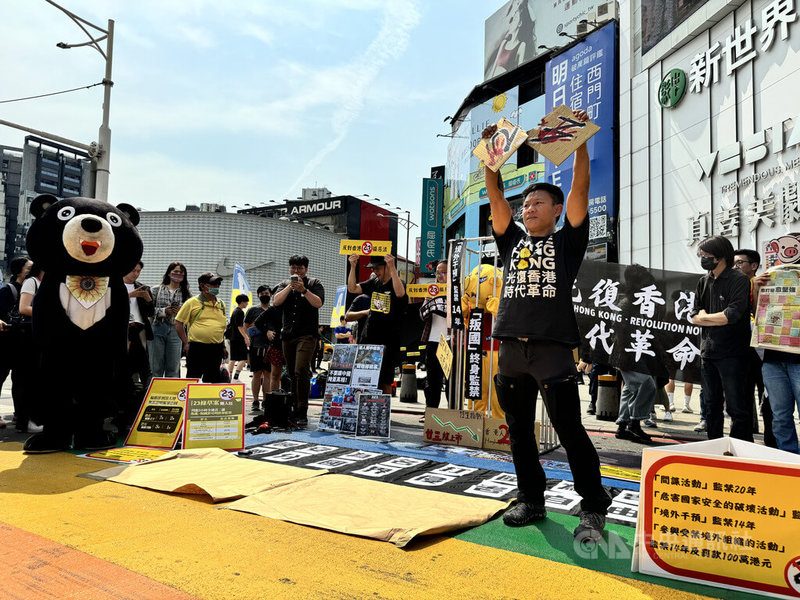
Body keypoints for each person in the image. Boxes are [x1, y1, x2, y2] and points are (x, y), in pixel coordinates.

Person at [482, 112, 611, 542]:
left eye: (538, 203)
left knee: (569, 429)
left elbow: (581, 185)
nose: (528, 208)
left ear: (557, 211)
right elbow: (496, 196)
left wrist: (579, 143)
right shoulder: (510, 242)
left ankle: (592, 506)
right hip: (511, 350)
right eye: (526, 204)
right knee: (518, 429)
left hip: (553, 349)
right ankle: (531, 499)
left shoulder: (568, 240)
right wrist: (491, 156)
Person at [690, 236, 753, 442]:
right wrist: (711, 319)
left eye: (707, 256)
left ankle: (740, 449)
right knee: (711, 405)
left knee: (737, 407)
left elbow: (731, 315)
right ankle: (714, 447)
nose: (703, 259)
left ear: (721, 256)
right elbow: (694, 316)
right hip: (708, 352)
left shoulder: (739, 280)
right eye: (701, 255)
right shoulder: (703, 281)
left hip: (733, 354)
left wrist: (705, 318)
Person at [273, 255, 324, 427]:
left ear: (306, 269)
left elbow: (318, 303)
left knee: (301, 369)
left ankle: (302, 410)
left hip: (307, 335)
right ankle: (292, 407)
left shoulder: (314, 283)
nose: (296, 271)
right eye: (293, 268)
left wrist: (303, 290)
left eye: (300, 268)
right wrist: (290, 286)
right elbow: (276, 302)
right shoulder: (283, 284)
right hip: (288, 335)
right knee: (290, 374)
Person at [753, 269, 800, 453]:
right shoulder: (773, 277)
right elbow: (760, 315)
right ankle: (789, 458)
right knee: (780, 415)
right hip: (772, 359)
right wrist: (757, 289)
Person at [347, 253, 408, 395]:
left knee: (385, 379)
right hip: (369, 337)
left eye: (378, 268)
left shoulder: (397, 282)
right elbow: (353, 289)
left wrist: (392, 267)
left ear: (387, 266)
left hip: (389, 339)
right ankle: (366, 407)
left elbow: (400, 293)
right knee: (365, 375)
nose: (375, 272)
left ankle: (384, 412)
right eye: (372, 269)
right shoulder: (374, 282)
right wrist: (353, 266)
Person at [734, 248, 775, 447]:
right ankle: (744, 445)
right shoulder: (731, 288)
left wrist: (758, 290)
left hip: (765, 353)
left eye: (740, 262)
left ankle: (772, 445)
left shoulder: (767, 284)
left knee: (769, 402)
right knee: (741, 400)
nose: (736, 266)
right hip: (740, 353)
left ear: (754, 266)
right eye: (734, 263)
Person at [175, 272, 228, 383]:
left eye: (218, 284)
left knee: (213, 379)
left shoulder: (221, 304)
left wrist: (223, 347)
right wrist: (186, 342)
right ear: (203, 286)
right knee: (194, 379)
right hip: (197, 348)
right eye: (213, 284)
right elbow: (178, 322)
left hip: (216, 348)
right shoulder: (192, 302)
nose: (217, 286)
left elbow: (220, 328)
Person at [0, 256, 32, 428]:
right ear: (19, 271)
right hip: (6, 343)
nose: (32, 270)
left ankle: (20, 415)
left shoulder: (32, 290)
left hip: (23, 343)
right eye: (29, 267)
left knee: (21, 381)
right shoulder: (8, 290)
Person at [121, 261, 154, 430]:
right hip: (121, 330)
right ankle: (124, 413)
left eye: (138, 271)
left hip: (139, 329)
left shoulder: (142, 287)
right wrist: (129, 295)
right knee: (124, 369)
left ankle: (140, 409)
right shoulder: (115, 285)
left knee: (144, 368)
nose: (135, 274)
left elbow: (151, 312)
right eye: (133, 270)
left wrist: (148, 299)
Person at [13, 262, 43, 434]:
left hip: (40, 336)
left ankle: (33, 419)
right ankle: (26, 421)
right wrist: (48, 312)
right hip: (29, 338)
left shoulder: (47, 283)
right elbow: (23, 308)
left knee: (38, 380)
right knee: (29, 379)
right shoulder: (32, 282)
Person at [148, 261, 192, 378]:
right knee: (155, 365)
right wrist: (163, 311)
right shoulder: (156, 290)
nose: (178, 275)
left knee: (173, 366)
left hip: (176, 329)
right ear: (169, 273)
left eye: (181, 273)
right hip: (158, 327)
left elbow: (190, 313)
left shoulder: (186, 294)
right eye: (175, 272)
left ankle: (171, 393)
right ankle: (154, 392)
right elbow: (148, 310)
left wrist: (181, 312)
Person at [420, 260, 448, 416]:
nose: (440, 276)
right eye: (438, 273)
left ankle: (453, 412)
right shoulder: (432, 290)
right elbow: (421, 314)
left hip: (451, 340)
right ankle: (431, 413)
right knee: (432, 380)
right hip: (433, 339)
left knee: (451, 380)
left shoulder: (456, 291)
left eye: (443, 272)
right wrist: (430, 303)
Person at [244, 286, 272, 411]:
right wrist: (246, 339)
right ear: (258, 296)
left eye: (267, 293)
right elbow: (245, 326)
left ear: (271, 295)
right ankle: (255, 400)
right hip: (256, 346)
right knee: (256, 374)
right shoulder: (252, 310)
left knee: (268, 375)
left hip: (270, 347)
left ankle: (266, 400)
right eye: (262, 293)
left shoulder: (275, 310)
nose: (264, 295)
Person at [227, 294, 250, 380]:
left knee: (233, 358)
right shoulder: (240, 312)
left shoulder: (234, 311)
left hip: (233, 337)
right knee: (243, 358)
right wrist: (246, 337)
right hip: (239, 338)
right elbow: (240, 327)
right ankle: (236, 377)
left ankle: (229, 377)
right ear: (242, 302)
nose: (247, 303)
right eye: (246, 302)